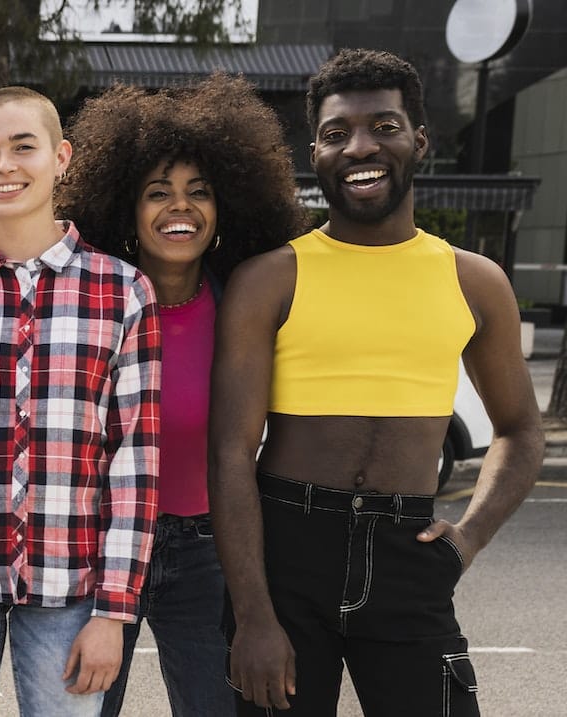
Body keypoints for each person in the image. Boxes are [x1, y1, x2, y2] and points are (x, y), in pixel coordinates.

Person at [211, 49, 542, 717]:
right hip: (286, 560)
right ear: (317, 152)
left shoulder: (474, 281)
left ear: (418, 140)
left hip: (408, 559)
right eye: (337, 134)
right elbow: (229, 455)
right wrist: (252, 615)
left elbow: (519, 428)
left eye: (383, 126)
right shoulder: (270, 278)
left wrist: (470, 537)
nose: (360, 147)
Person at [0, 85, 161, 717]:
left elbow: (135, 461)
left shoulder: (123, 292)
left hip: (74, 586)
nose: (5, 165)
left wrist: (114, 614)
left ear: (61, 156)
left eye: (23, 147)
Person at [57, 73, 306, 717]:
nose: (181, 207)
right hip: (103, 546)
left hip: (206, 550)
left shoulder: (243, 309)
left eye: (200, 192)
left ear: (226, 208)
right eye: (157, 193)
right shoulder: (94, 307)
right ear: (125, 209)